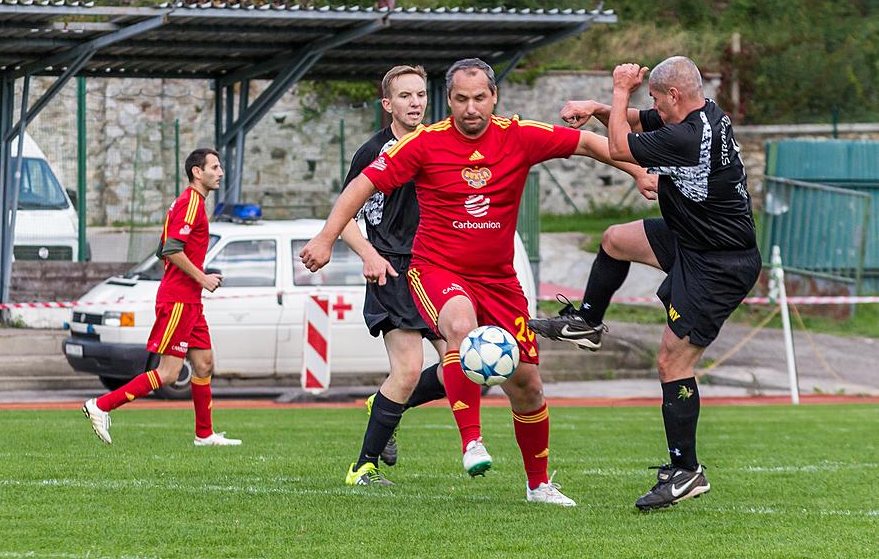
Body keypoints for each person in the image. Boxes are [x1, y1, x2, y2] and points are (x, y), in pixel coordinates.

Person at [301, 58, 657, 505]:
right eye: (462, 99)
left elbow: (587, 142)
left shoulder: (519, 135)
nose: (471, 108)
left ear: (495, 98)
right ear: (449, 101)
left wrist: (637, 170)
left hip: (500, 280)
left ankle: (539, 485)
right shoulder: (423, 144)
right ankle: (472, 441)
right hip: (434, 269)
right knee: (459, 329)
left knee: (527, 383)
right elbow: (359, 188)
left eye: (480, 98)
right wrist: (326, 237)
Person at [529, 56, 761, 510]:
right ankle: (588, 323)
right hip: (690, 238)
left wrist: (619, 90)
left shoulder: (689, 136)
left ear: (675, 95)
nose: (651, 105)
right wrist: (602, 104)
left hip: (719, 263)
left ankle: (686, 470)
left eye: (656, 97)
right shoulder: (702, 110)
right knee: (615, 240)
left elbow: (618, 146)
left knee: (671, 363)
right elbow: (639, 120)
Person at [82, 149, 241, 448]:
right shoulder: (191, 203)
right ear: (197, 172)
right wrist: (201, 277)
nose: (220, 172)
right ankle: (101, 405)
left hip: (190, 301)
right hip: (179, 299)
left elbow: (162, 248)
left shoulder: (190, 203)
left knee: (204, 364)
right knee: (168, 372)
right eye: (215, 167)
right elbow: (170, 249)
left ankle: (204, 434)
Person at [338, 65, 448, 486]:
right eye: (405, 96)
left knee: (465, 366)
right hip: (391, 270)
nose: (415, 102)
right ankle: (362, 467)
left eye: (420, 94)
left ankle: (383, 404)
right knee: (407, 370)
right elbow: (343, 215)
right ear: (388, 104)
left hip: (435, 270)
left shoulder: (440, 144)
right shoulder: (373, 152)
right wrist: (368, 254)